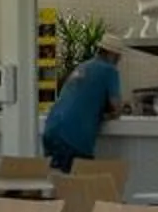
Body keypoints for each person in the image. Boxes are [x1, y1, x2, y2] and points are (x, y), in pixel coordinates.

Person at [40, 33, 125, 171]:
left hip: (52, 129)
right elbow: (116, 107)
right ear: (112, 54)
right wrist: (108, 114)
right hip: (74, 137)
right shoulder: (109, 71)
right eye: (118, 57)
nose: (119, 61)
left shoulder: (83, 66)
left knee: (56, 184)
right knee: (77, 187)